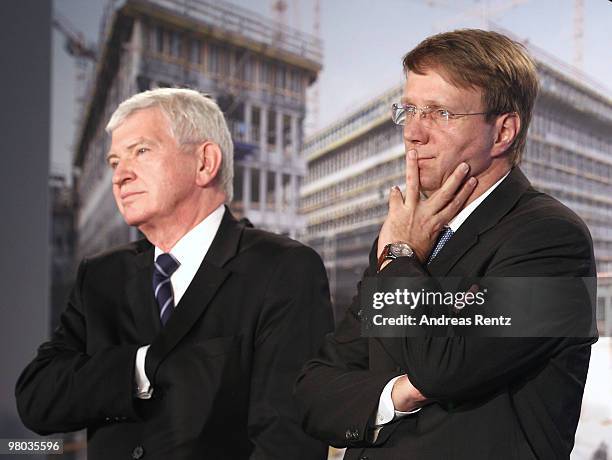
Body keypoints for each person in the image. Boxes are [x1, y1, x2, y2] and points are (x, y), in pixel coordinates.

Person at [295, 29, 596, 459]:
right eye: (410, 110)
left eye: (439, 113)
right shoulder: (409, 236)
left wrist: (399, 257)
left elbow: (442, 368)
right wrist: (396, 396)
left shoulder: (551, 240)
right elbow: (315, 388)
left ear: (503, 131)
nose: (413, 133)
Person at [16, 88, 333, 460]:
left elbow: (289, 442)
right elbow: (37, 397)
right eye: (115, 161)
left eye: (141, 151)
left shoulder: (283, 268)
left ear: (204, 163)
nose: (120, 176)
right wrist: (140, 368)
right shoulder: (100, 276)